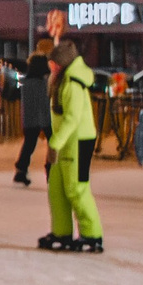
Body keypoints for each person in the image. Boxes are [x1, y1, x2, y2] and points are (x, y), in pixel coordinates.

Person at [41, 38, 103, 254]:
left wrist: (54, 142)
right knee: (56, 188)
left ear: (63, 63)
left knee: (76, 189)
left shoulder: (73, 83)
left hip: (78, 140)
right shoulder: (60, 80)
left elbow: (72, 118)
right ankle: (61, 232)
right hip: (63, 141)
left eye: (54, 63)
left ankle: (91, 234)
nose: (51, 67)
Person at [13, 37, 51, 186]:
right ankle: (51, 170)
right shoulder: (45, 68)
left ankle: (21, 170)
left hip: (30, 113)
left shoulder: (30, 69)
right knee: (53, 141)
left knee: (30, 141)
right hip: (45, 111)